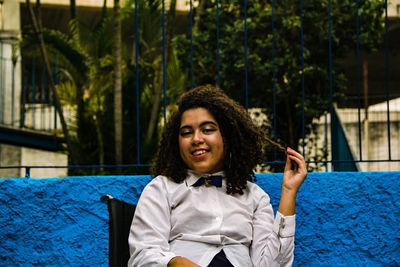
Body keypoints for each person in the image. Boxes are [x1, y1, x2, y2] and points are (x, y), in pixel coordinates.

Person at [128, 85, 307, 267]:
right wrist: (177, 262)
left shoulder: (255, 197)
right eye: (187, 132)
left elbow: (272, 265)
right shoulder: (161, 189)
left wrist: (288, 192)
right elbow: (143, 255)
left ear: (227, 136)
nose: (196, 139)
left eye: (207, 129)